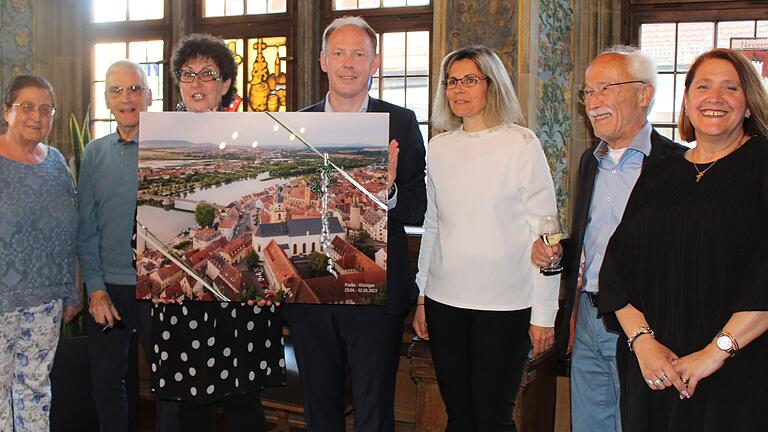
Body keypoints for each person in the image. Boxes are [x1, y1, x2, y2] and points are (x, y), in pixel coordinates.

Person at [598, 48, 768, 431]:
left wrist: (715, 352)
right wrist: (643, 343)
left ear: (749, 104)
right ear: (687, 100)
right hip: (654, 369)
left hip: (738, 372)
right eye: (703, 86)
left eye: (731, 88)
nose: (715, 97)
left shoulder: (762, 165)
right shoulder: (660, 170)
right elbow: (617, 266)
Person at [282, 16, 427, 431]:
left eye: (359, 54)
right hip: (311, 290)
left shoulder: (400, 122)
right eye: (340, 54)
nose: (349, 64)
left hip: (375, 290)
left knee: (374, 407)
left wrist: (389, 191)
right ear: (323, 60)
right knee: (320, 407)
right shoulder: (297, 126)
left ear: (375, 62)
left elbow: (418, 207)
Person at [530, 46, 685, 431]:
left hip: (642, 322)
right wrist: (558, 253)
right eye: (588, 91)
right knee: (591, 423)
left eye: (606, 89)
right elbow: (592, 241)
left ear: (644, 95)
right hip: (586, 316)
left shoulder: (677, 166)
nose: (593, 102)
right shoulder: (591, 161)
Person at [412, 45, 559, 432]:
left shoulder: (521, 144)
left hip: (505, 306)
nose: (458, 89)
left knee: (493, 419)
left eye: (470, 80)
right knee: (459, 418)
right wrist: (423, 296)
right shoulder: (440, 148)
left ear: (492, 86)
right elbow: (433, 225)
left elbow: (546, 232)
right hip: (445, 303)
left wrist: (544, 314)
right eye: (452, 81)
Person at [149, 33, 284, 432]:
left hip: (239, 294)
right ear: (177, 82)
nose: (197, 83)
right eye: (187, 74)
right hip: (185, 300)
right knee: (192, 401)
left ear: (225, 83)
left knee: (244, 399)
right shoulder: (156, 138)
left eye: (208, 74)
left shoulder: (255, 134)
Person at [77, 60, 165, 432]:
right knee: (107, 384)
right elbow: (86, 229)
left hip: (158, 289)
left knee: (170, 387)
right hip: (108, 291)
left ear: (148, 95)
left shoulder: (166, 149)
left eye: (134, 89)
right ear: (107, 98)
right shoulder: (94, 154)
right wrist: (95, 289)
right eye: (117, 90)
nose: (126, 98)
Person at [0, 75, 81, 431]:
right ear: (7, 111)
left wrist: (71, 289)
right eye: (27, 107)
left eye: (45, 109)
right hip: (1, 300)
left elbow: (68, 229)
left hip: (46, 301)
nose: (37, 116)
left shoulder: (56, 162)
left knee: (35, 391)